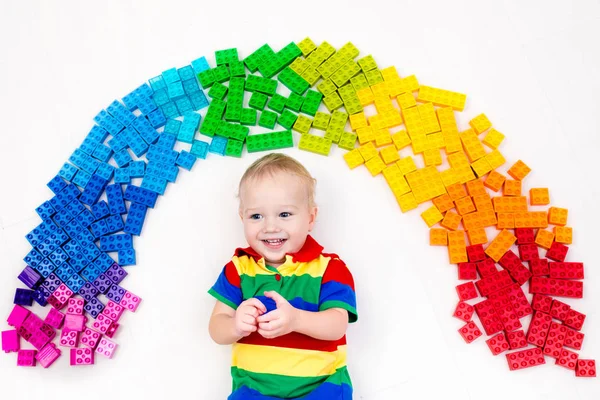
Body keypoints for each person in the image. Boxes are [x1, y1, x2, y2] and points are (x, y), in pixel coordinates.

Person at [208, 152, 358, 399]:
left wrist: (296, 320)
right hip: (254, 390)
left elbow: (337, 325)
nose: (270, 227)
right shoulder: (238, 268)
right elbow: (216, 328)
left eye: (284, 214)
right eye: (256, 216)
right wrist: (234, 324)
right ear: (242, 218)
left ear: (310, 218)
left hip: (321, 386)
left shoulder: (330, 267)